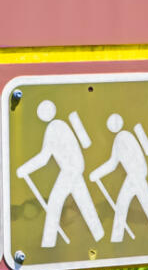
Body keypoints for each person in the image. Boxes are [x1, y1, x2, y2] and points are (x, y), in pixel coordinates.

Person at [14, 99, 103, 248]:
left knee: (55, 202)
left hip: (70, 170)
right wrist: (25, 169)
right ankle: (98, 234)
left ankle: (48, 243)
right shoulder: (61, 125)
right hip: (75, 168)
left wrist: (24, 169)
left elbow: (44, 157)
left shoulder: (54, 128)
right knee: (84, 201)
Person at [92, 111, 148, 245]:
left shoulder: (122, 137)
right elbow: (113, 163)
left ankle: (117, 238)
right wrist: (97, 173)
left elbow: (113, 163)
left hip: (135, 174)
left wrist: (97, 173)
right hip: (137, 174)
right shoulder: (122, 137)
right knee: (143, 203)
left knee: (123, 204)